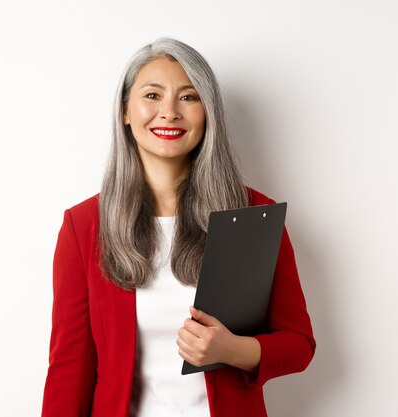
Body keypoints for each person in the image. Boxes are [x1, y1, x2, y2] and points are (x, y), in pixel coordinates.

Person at [41, 37, 315, 417]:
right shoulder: (84, 225)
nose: (169, 112)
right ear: (125, 110)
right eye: (152, 96)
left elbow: (299, 344)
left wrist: (230, 350)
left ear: (208, 111)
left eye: (188, 97)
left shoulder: (254, 214)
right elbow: (69, 368)